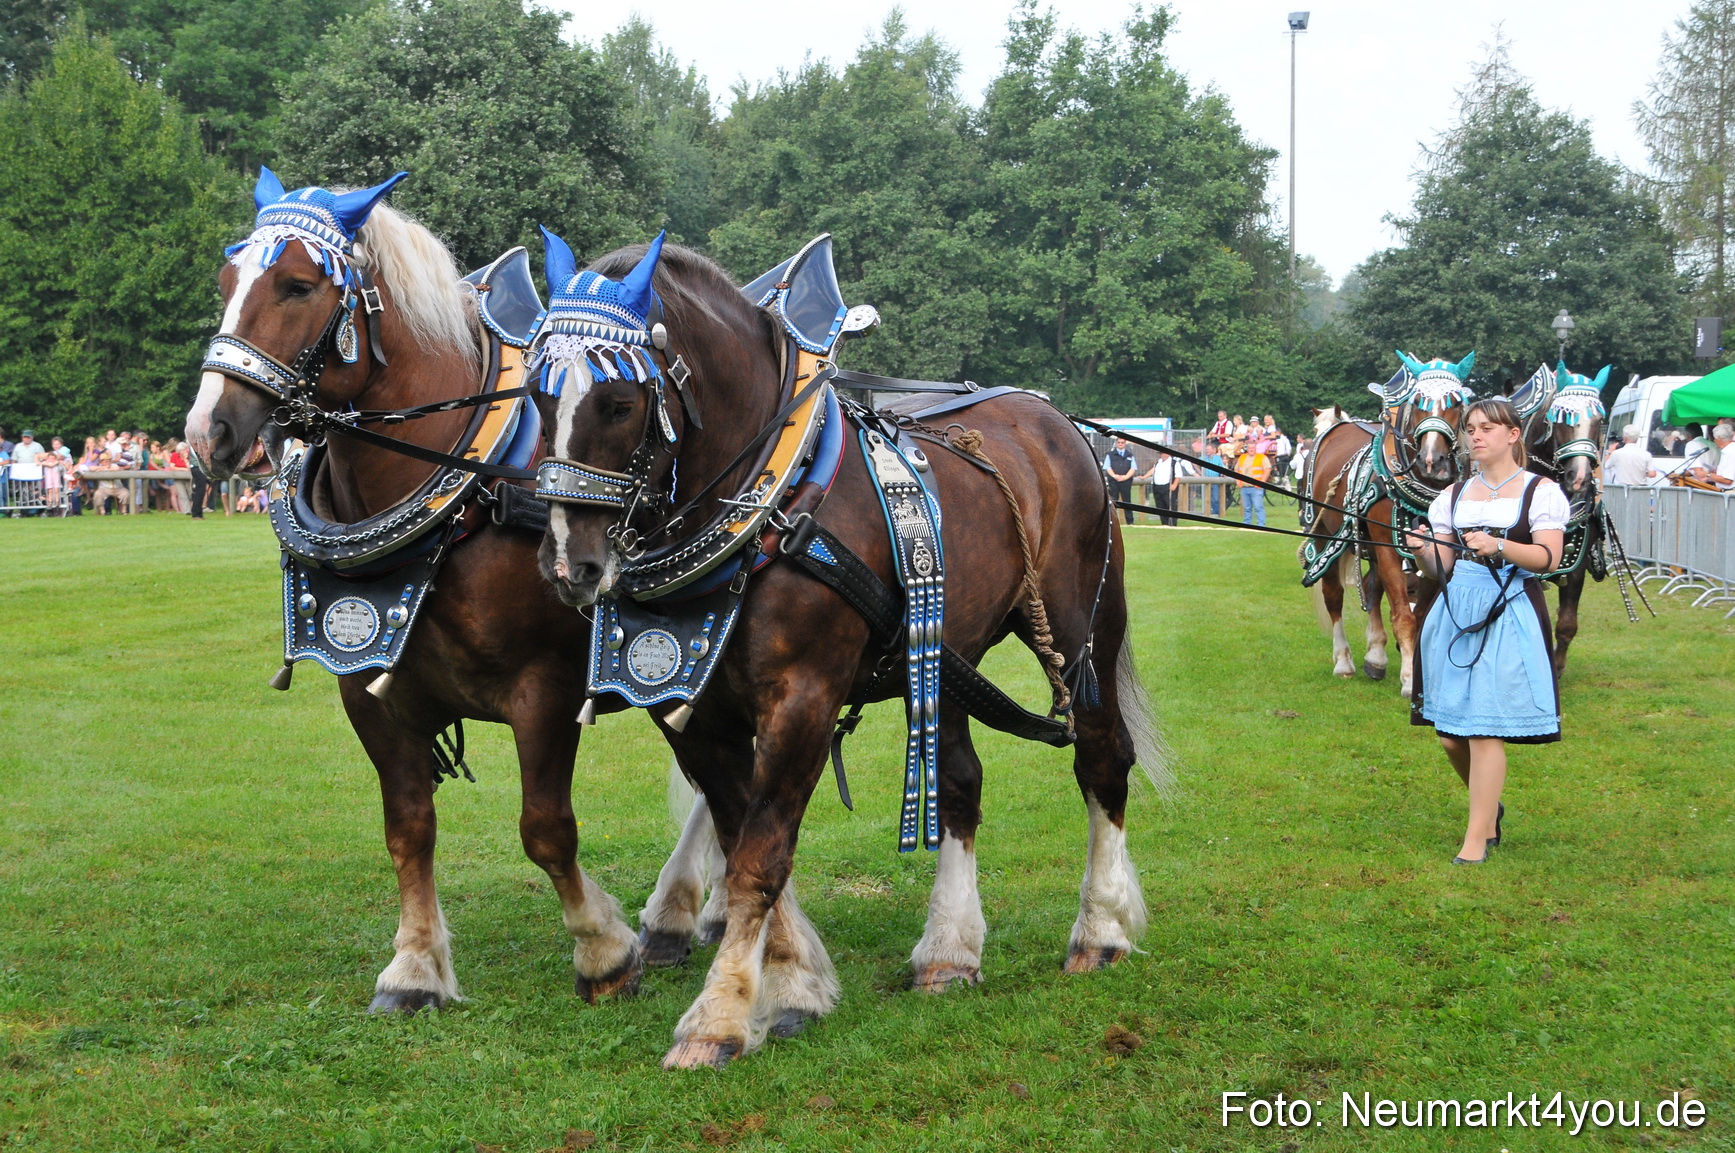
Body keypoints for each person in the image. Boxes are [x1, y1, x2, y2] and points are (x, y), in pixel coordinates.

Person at [1404, 397, 1568, 866]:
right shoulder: (1452, 496)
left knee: (1483, 729)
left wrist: (1500, 546)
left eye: (1487, 428)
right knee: (1450, 735)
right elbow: (1441, 567)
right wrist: (1422, 550)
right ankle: (1489, 808)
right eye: (1471, 429)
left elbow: (1548, 558)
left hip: (1510, 609)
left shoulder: (1541, 492)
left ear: (1513, 435)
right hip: (1457, 612)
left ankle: (1476, 840)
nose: (1475, 436)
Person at [1686, 423, 1735, 489]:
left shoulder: (1730, 452)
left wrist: (1707, 474)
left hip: (1730, 492)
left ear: (1720, 438)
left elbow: (1727, 480)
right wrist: (1717, 473)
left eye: (1715, 439)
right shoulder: (1729, 450)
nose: (1714, 441)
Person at [1235, 438, 1271, 527]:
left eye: (1253, 448)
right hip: (1244, 487)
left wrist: (1262, 481)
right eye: (1250, 448)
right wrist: (1238, 481)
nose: (1251, 449)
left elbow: (1267, 469)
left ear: (1256, 448)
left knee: (1258, 507)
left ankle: (1261, 524)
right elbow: (1237, 469)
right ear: (1247, 448)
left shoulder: (1262, 457)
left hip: (1256, 487)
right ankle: (1247, 523)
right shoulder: (1242, 457)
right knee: (1246, 508)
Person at [1103, 437, 1137, 524]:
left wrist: (1125, 477)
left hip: (1126, 482)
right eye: (1119, 442)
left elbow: (1133, 468)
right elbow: (1107, 467)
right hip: (1114, 481)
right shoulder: (1110, 454)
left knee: (1127, 501)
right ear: (1116, 443)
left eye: (1122, 442)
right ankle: (1112, 521)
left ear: (1125, 443)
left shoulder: (1130, 455)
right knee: (1113, 501)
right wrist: (1115, 476)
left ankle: (1130, 521)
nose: (1120, 444)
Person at [1143, 450, 1179, 526]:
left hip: (1168, 487)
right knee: (1160, 506)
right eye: (1161, 453)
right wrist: (1144, 476)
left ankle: (1172, 523)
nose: (1162, 455)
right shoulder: (1158, 462)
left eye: (1163, 453)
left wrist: (1174, 485)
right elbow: (1153, 470)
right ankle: (1164, 523)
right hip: (1157, 487)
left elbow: (1178, 475)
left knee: (1170, 505)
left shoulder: (1174, 463)